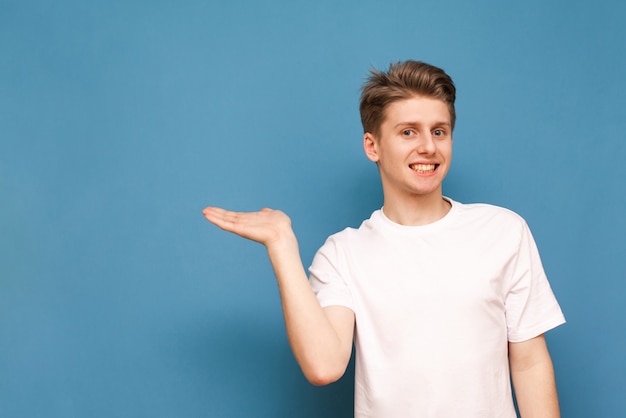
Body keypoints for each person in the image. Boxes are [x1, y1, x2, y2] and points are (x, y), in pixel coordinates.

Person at [203, 60, 565, 417]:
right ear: (372, 146)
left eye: (439, 131)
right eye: (408, 132)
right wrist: (281, 243)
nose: (428, 147)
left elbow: (530, 363)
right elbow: (324, 366)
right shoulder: (342, 254)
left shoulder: (503, 230)